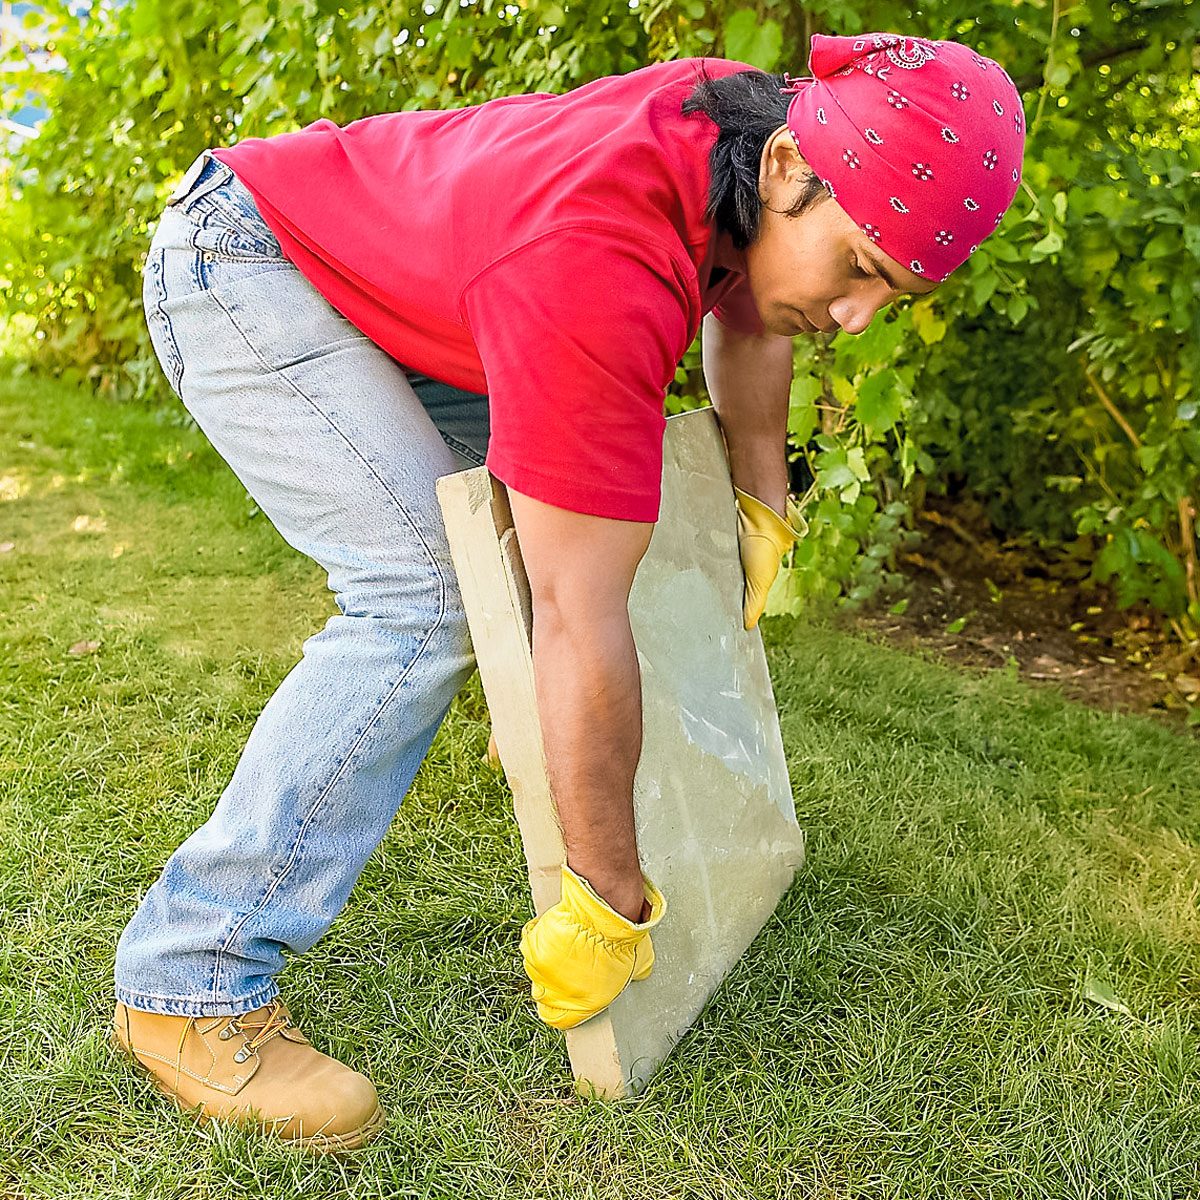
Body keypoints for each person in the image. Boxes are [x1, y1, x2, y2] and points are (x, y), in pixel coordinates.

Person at [110, 31, 1025, 1151]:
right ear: (788, 168)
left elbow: (752, 307)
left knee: (564, 557)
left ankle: (543, 732)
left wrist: (757, 500)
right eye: (862, 272)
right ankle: (186, 981)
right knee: (428, 597)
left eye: (894, 289)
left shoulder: (767, 141)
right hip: (250, 264)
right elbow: (580, 608)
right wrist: (606, 894)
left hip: (408, 281)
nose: (855, 318)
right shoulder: (602, 258)